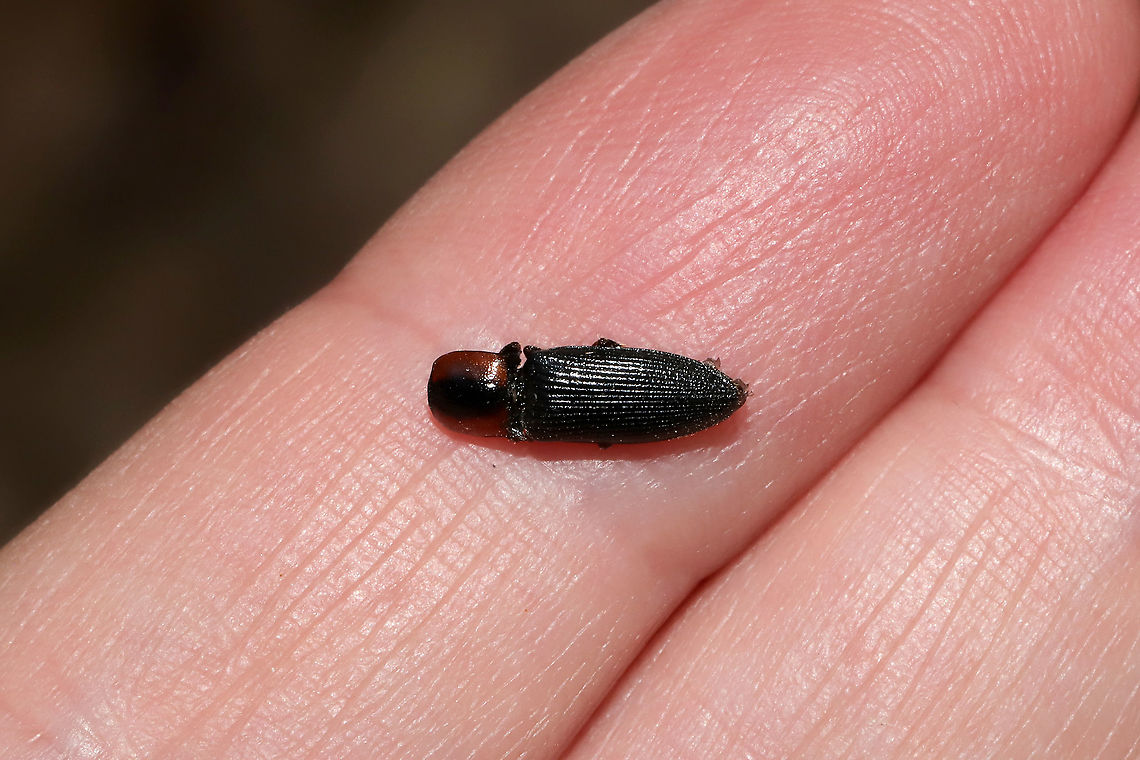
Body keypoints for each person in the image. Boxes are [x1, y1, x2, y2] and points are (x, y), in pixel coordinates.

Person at [2, 1, 1139, 756]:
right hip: (649, 393)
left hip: (647, 402)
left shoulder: (540, 414)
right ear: (501, 367)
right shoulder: (543, 384)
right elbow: (626, 382)